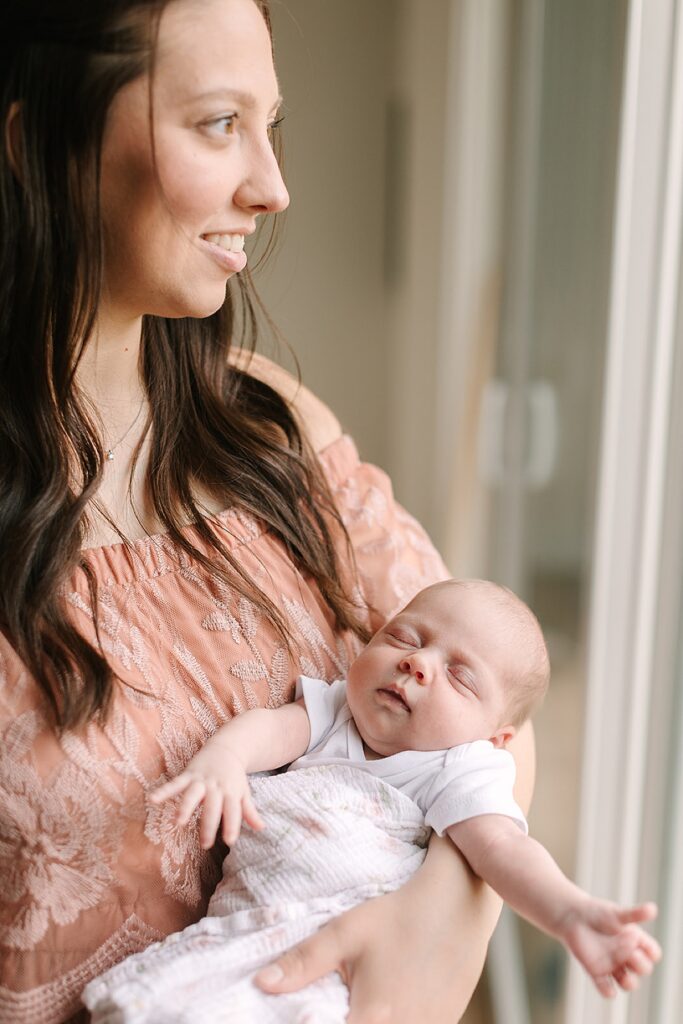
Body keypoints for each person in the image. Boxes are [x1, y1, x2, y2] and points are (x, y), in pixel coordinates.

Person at [0, 1, 536, 1022]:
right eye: (215, 124)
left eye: (269, 124)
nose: (272, 187)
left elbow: (500, 707)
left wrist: (436, 929)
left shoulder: (277, 429)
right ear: (34, 144)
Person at [81, 579, 660, 1021]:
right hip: (250, 921)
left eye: (460, 677)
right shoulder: (336, 713)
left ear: (495, 739)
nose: (418, 663)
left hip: (337, 944)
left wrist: (570, 913)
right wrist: (225, 760)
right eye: (406, 638)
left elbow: (504, 849)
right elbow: (268, 729)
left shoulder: (458, 767)